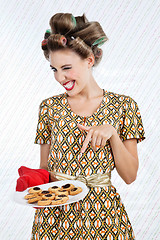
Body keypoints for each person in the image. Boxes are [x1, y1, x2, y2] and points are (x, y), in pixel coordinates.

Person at [31, 13, 145, 240]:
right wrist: (32, 186)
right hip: (56, 219)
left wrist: (112, 133)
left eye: (66, 67)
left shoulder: (124, 106)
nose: (60, 77)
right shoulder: (48, 108)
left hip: (105, 216)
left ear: (89, 60)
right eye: (54, 69)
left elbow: (130, 176)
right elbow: (44, 170)